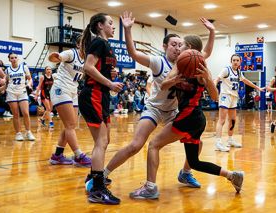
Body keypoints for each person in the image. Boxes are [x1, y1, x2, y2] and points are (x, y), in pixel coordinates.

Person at [85, 11, 215, 194]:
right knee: (135, 145)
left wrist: (211, 32)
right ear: (165, 47)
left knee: (197, 142)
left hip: (173, 111)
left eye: (180, 45)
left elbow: (206, 52)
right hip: (154, 108)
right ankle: (102, 174)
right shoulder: (157, 61)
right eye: (173, 45)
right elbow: (133, 53)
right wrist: (128, 30)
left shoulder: (186, 61)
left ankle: (185, 172)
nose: (177, 48)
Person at [129, 36, 244, 199]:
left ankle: (150, 188)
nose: (178, 48)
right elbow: (162, 85)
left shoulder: (200, 68)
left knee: (154, 145)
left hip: (189, 117)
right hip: (195, 119)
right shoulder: (179, 65)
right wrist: (173, 80)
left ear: (188, 47)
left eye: (181, 45)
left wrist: (208, 80)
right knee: (194, 161)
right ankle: (233, 175)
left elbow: (215, 97)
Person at [78, 13, 124, 205]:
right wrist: (110, 83)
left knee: (105, 141)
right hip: (93, 94)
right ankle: (97, 188)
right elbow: (88, 67)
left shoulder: (106, 45)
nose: (114, 27)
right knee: (101, 141)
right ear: (100, 26)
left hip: (101, 95)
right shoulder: (98, 42)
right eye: (111, 23)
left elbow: (98, 67)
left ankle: (93, 178)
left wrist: (109, 73)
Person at [48, 36, 92, 167]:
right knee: (70, 125)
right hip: (61, 89)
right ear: (78, 45)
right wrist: (54, 56)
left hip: (73, 91)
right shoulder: (71, 53)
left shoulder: (88, 60)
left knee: (70, 125)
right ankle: (78, 156)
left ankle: (57, 156)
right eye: (84, 43)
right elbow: (55, 58)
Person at [213, 54, 264, 152]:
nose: (235, 62)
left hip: (234, 97)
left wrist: (257, 87)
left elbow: (246, 81)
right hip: (225, 96)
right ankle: (218, 142)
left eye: (237, 60)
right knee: (222, 120)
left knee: (232, 120)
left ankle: (230, 139)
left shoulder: (239, 72)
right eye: (234, 60)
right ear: (231, 61)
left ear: (240, 62)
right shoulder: (226, 70)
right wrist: (214, 88)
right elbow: (217, 79)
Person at [0, 53, 35, 141]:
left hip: (22, 92)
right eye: (12, 58)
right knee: (16, 114)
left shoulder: (24, 67)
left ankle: (28, 132)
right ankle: (18, 133)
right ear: (9, 60)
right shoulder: (7, 70)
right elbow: (6, 83)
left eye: (15, 57)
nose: (14, 59)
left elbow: (30, 79)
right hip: (11, 92)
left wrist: (29, 84)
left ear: (17, 59)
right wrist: (1, 88)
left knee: (25, 113)